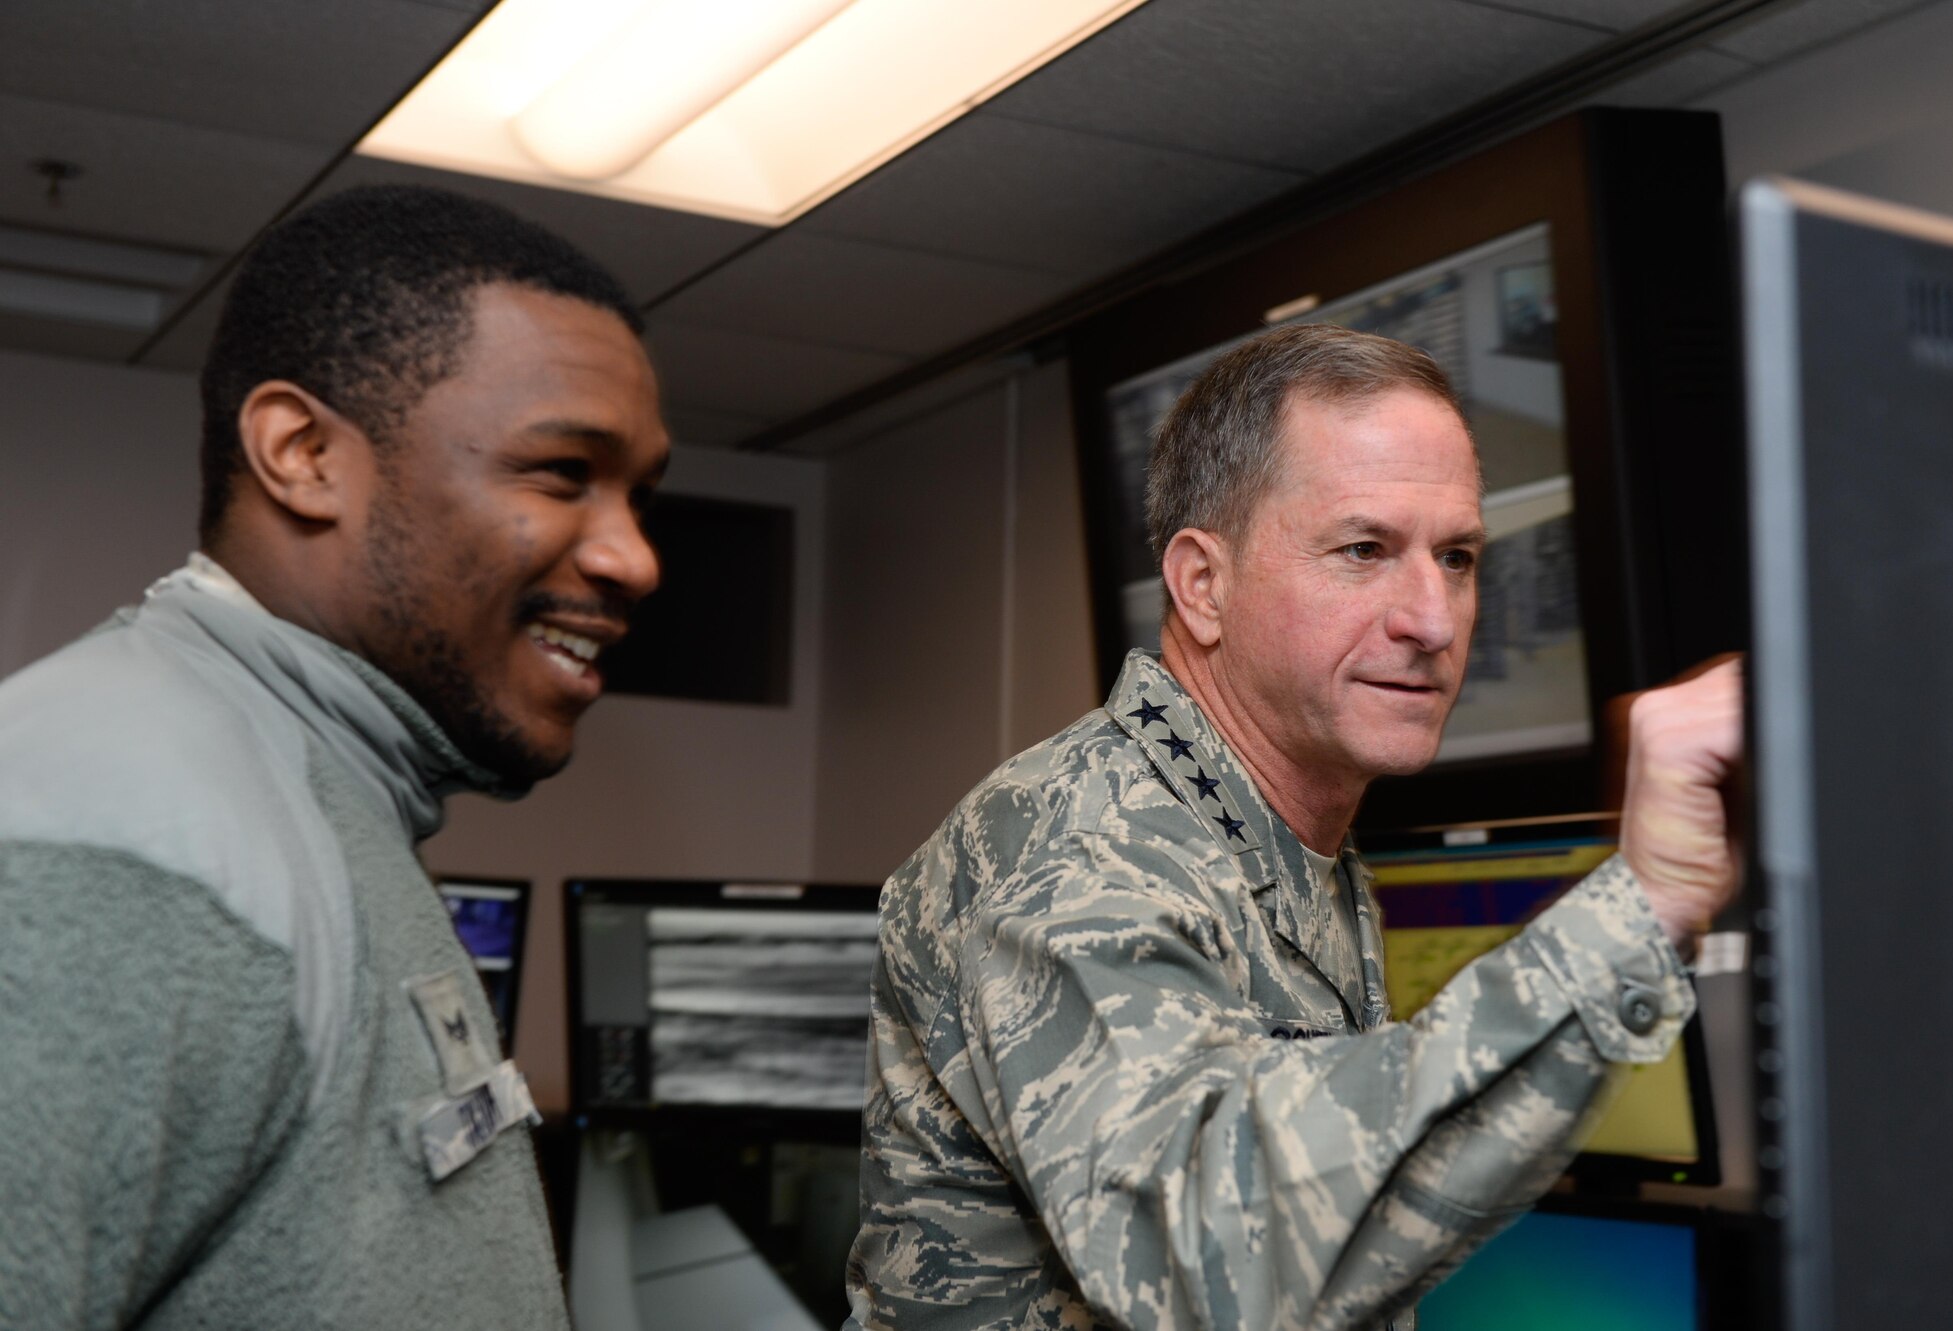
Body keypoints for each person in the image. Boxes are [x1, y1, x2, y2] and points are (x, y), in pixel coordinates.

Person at [845, 324, 1741, 1331]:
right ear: (1201, 584)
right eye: (1363, 550)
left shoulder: (1281, 834)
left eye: (1454, 556)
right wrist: (1640, 903)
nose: (1433, 618)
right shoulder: (1076, 838)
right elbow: (1204, 1259)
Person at [0, 185, 669, 1328]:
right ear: (303, 453)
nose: (634, 559)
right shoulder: (126, 828)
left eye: (637, 496)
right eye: (562, 472)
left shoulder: (298, 786)